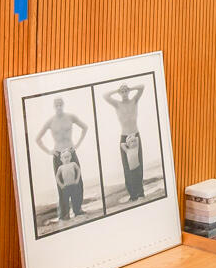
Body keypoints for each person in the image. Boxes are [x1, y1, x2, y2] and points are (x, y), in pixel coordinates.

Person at [32, 96, 92, 224]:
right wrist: (49, 151)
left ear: (63, 104)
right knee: (61, 185)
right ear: (54, 106)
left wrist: (78, 144)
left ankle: (78, 209)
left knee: (78, 181)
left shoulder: (70, 117)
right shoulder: (50, 121)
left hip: (71, 152)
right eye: (56, 104)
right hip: (58, 154)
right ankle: (64, 214)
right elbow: (38, 139)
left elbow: (85, 127)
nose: (59, 106)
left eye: (60, 104)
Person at [104, 81, 148, 203]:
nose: (124, 93)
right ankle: (133, 195)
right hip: (124, 137)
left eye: (125, 91)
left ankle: (141, 193)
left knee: (138, 165)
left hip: (135, 134)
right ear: (119, 93)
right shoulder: (117, 104)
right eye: (122, 91)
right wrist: (117, 90)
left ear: (128, 91)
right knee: (127, 167)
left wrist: (130, 87)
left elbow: (142, 86)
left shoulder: (134, 100)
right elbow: (105, 96)